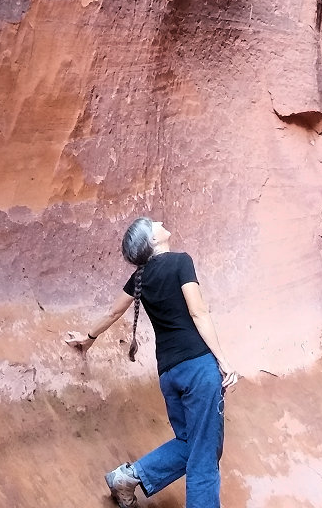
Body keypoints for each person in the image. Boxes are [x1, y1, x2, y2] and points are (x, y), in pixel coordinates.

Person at [66, 216, 237, 508]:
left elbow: (112, 313)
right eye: (153, 224)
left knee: (190, 444)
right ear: (153, 240)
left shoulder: (140, 278)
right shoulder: (181, 261)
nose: (159, 222)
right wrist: (223, 360)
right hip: (198, 368)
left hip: (169, 374)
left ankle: (129, 477)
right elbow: (199, 313)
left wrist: (89, 337)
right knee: (205, 455)